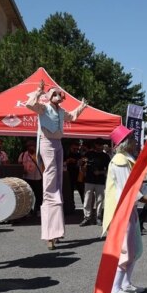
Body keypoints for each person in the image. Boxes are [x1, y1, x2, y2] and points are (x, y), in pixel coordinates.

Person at [25, 81, 88, 250]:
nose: (58, 96)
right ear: (48, 96)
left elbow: (73, 116)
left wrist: (81, 106)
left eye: (59, 94)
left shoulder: (61, 111)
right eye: (54, 94)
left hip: (58, 143)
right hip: (46, 142)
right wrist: (38, 91)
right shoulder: (44, 107)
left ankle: (57, 230)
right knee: (50, 184)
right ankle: (50, 233)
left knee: (57, 185)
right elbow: (29, 104)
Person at [102, 126, 147, 293]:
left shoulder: (126, 158)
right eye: (132, 138)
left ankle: (125, 284)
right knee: (126, 249)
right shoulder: (119, 160)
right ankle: (114, 289)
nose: (135, 141)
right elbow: (129, 188)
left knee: (135, 249)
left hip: (128, 209)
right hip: (121, 211)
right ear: (125, 142)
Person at [80, 139, 110, 226]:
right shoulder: (88, 154)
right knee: (87, 199)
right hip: (89, 179)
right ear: (95, 145)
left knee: (100, 200)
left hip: (100, 181)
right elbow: (81, 166)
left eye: (101, 144)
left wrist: (100, 172)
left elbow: (109, 169)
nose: (99, 146)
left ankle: (98, 217)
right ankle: (87, 217)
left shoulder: (105, 156)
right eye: (98, 144)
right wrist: (83, 164)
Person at [18, 139, 43, 217]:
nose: (31, 148)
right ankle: (28, 211)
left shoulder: (39, 155)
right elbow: (19, 165)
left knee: (39, 195)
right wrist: (22, 170)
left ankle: (38, 210)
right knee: (28, 195)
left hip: (37, 178)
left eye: (33, 146)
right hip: (26, 178)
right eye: (29, 146)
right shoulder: (22, 155)